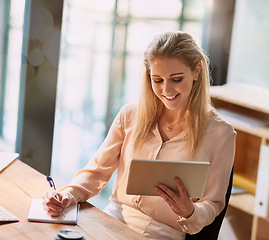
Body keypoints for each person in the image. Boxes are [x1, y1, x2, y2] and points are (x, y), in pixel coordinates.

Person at [43, 31, 236, 240]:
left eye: (176, 79)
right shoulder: (130, 115)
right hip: (111, 221)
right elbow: (97, 171)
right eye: (157, 80)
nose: (166, 89)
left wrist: (190, 211)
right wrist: (68, 195)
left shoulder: (220, 134)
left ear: (197, 71)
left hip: (163, 234)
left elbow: (214, 203)